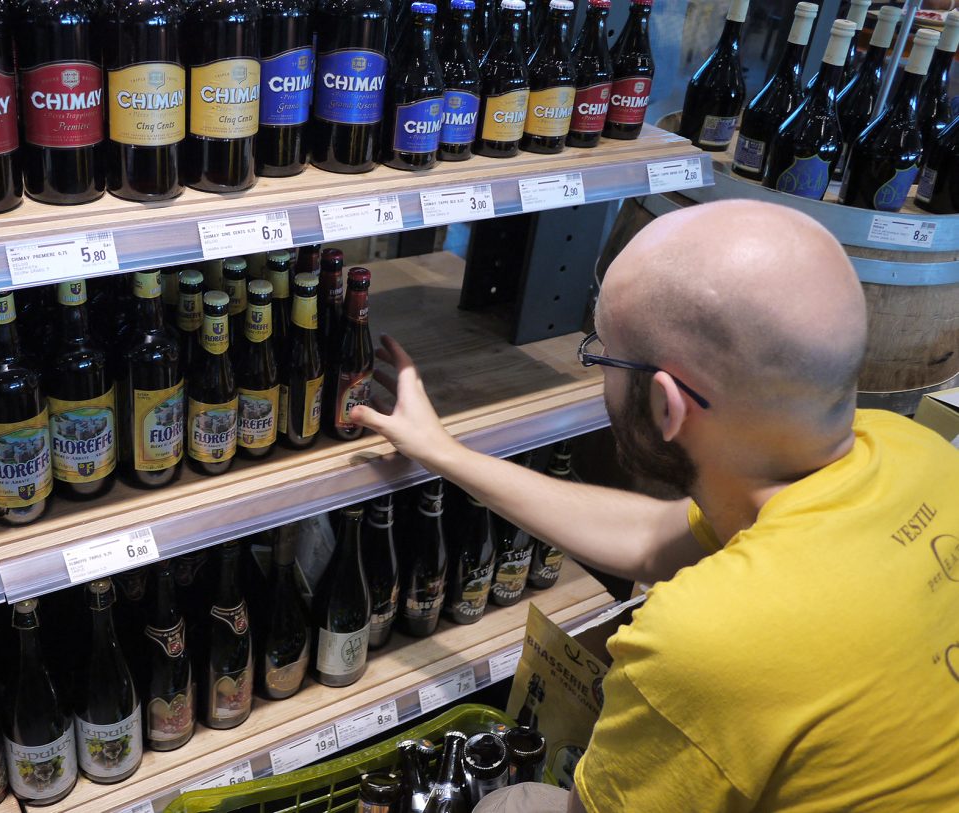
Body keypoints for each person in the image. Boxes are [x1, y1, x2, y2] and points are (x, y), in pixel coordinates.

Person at [351, 199, 959, 812]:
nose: (599, 373)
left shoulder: (701, 645)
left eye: (603, 355)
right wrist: (444, 453)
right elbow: (653, 539)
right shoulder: (911, 449)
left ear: (667, 405)